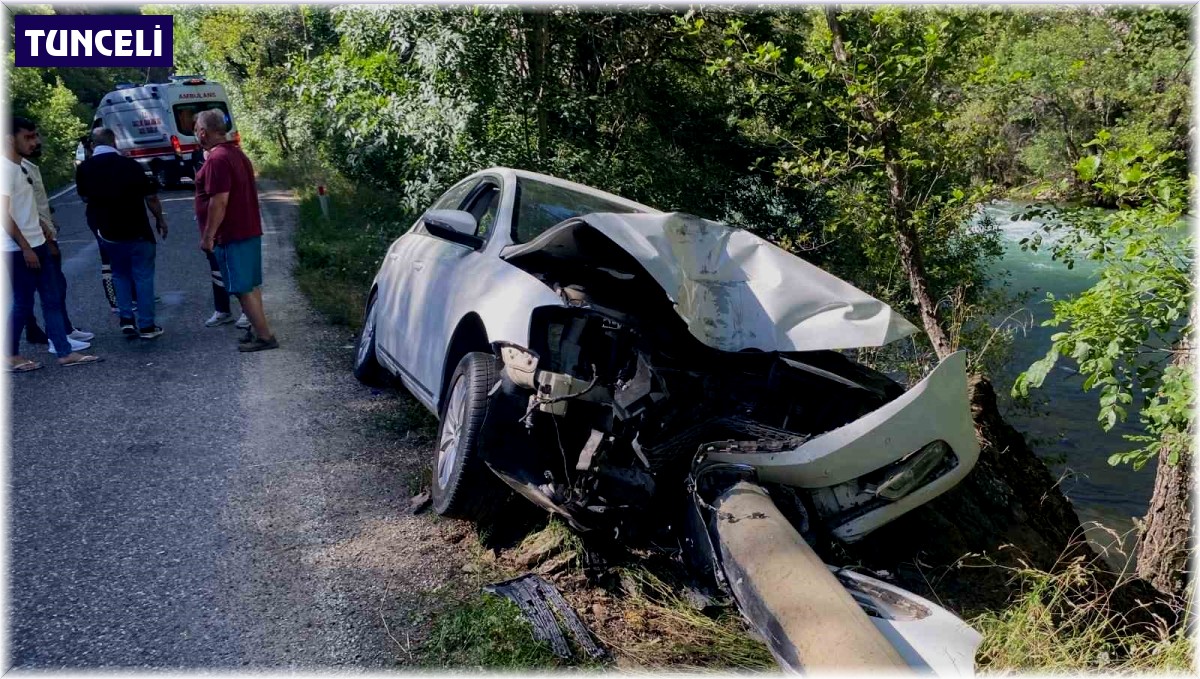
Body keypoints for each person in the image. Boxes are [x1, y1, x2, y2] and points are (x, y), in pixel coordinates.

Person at [5, 117, 100, 370]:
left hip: (38, 242)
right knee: (22, 302)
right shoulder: (4, 169)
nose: (34, 141)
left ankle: (63, 351)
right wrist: (25, 247)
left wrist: (43, 229)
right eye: (28, 137)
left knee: (52, 297)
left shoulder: (21, 167)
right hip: (16, 249)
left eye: (35, 135)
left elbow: (27, 206)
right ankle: (9, 355)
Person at [193, 109, 278, 352]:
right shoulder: (236, 154)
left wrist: (209, 236)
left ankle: (265, 336)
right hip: (247, 229)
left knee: (241, 288)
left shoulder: (217, 159)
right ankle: (258, 330)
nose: (196, 134)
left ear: (203, 132)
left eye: (197, 129)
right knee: (250, 285)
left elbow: (219, 200)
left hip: (231, 234)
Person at [76, 128, 167, 339]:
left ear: (93, 145)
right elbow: (150, 197)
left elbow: (85, 198)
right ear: (114, 141)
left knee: (119, 274)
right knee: (143, 276)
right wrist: (160, 219)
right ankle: (147, 325)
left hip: (108, 232)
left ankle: (126, 319)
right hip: (138, 230)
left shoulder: (85, 169)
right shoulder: (131, 165)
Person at [21, 138, 95, 351]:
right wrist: (46, 236)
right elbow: (22, 209)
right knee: (48, 289)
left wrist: (49, 221)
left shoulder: (27, 167)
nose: (36, 142)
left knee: (54, 285)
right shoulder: (18, 170)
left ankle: (64, 329)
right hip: (36, 238)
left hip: (42, 234)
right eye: (30, 137)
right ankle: (57, 337)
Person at [199, 149, 250, 329]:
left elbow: (221, 198)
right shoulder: (200, 156)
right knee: (216, 270)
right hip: (210, 225)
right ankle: (222, 310)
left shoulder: (222, 157)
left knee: (235, 270)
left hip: (225, 228)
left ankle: (247, 312)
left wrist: (209, 234)